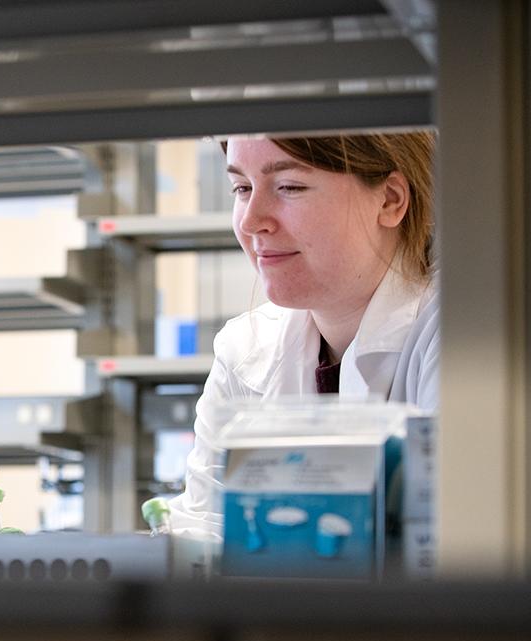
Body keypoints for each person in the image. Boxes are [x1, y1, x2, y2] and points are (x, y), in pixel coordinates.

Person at [169, 132, 438, 537]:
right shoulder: (245, 351)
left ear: (389, 200)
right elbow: (198, 541)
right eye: (242, 187)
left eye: (289, 187)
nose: (250, 220)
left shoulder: (458, 334)